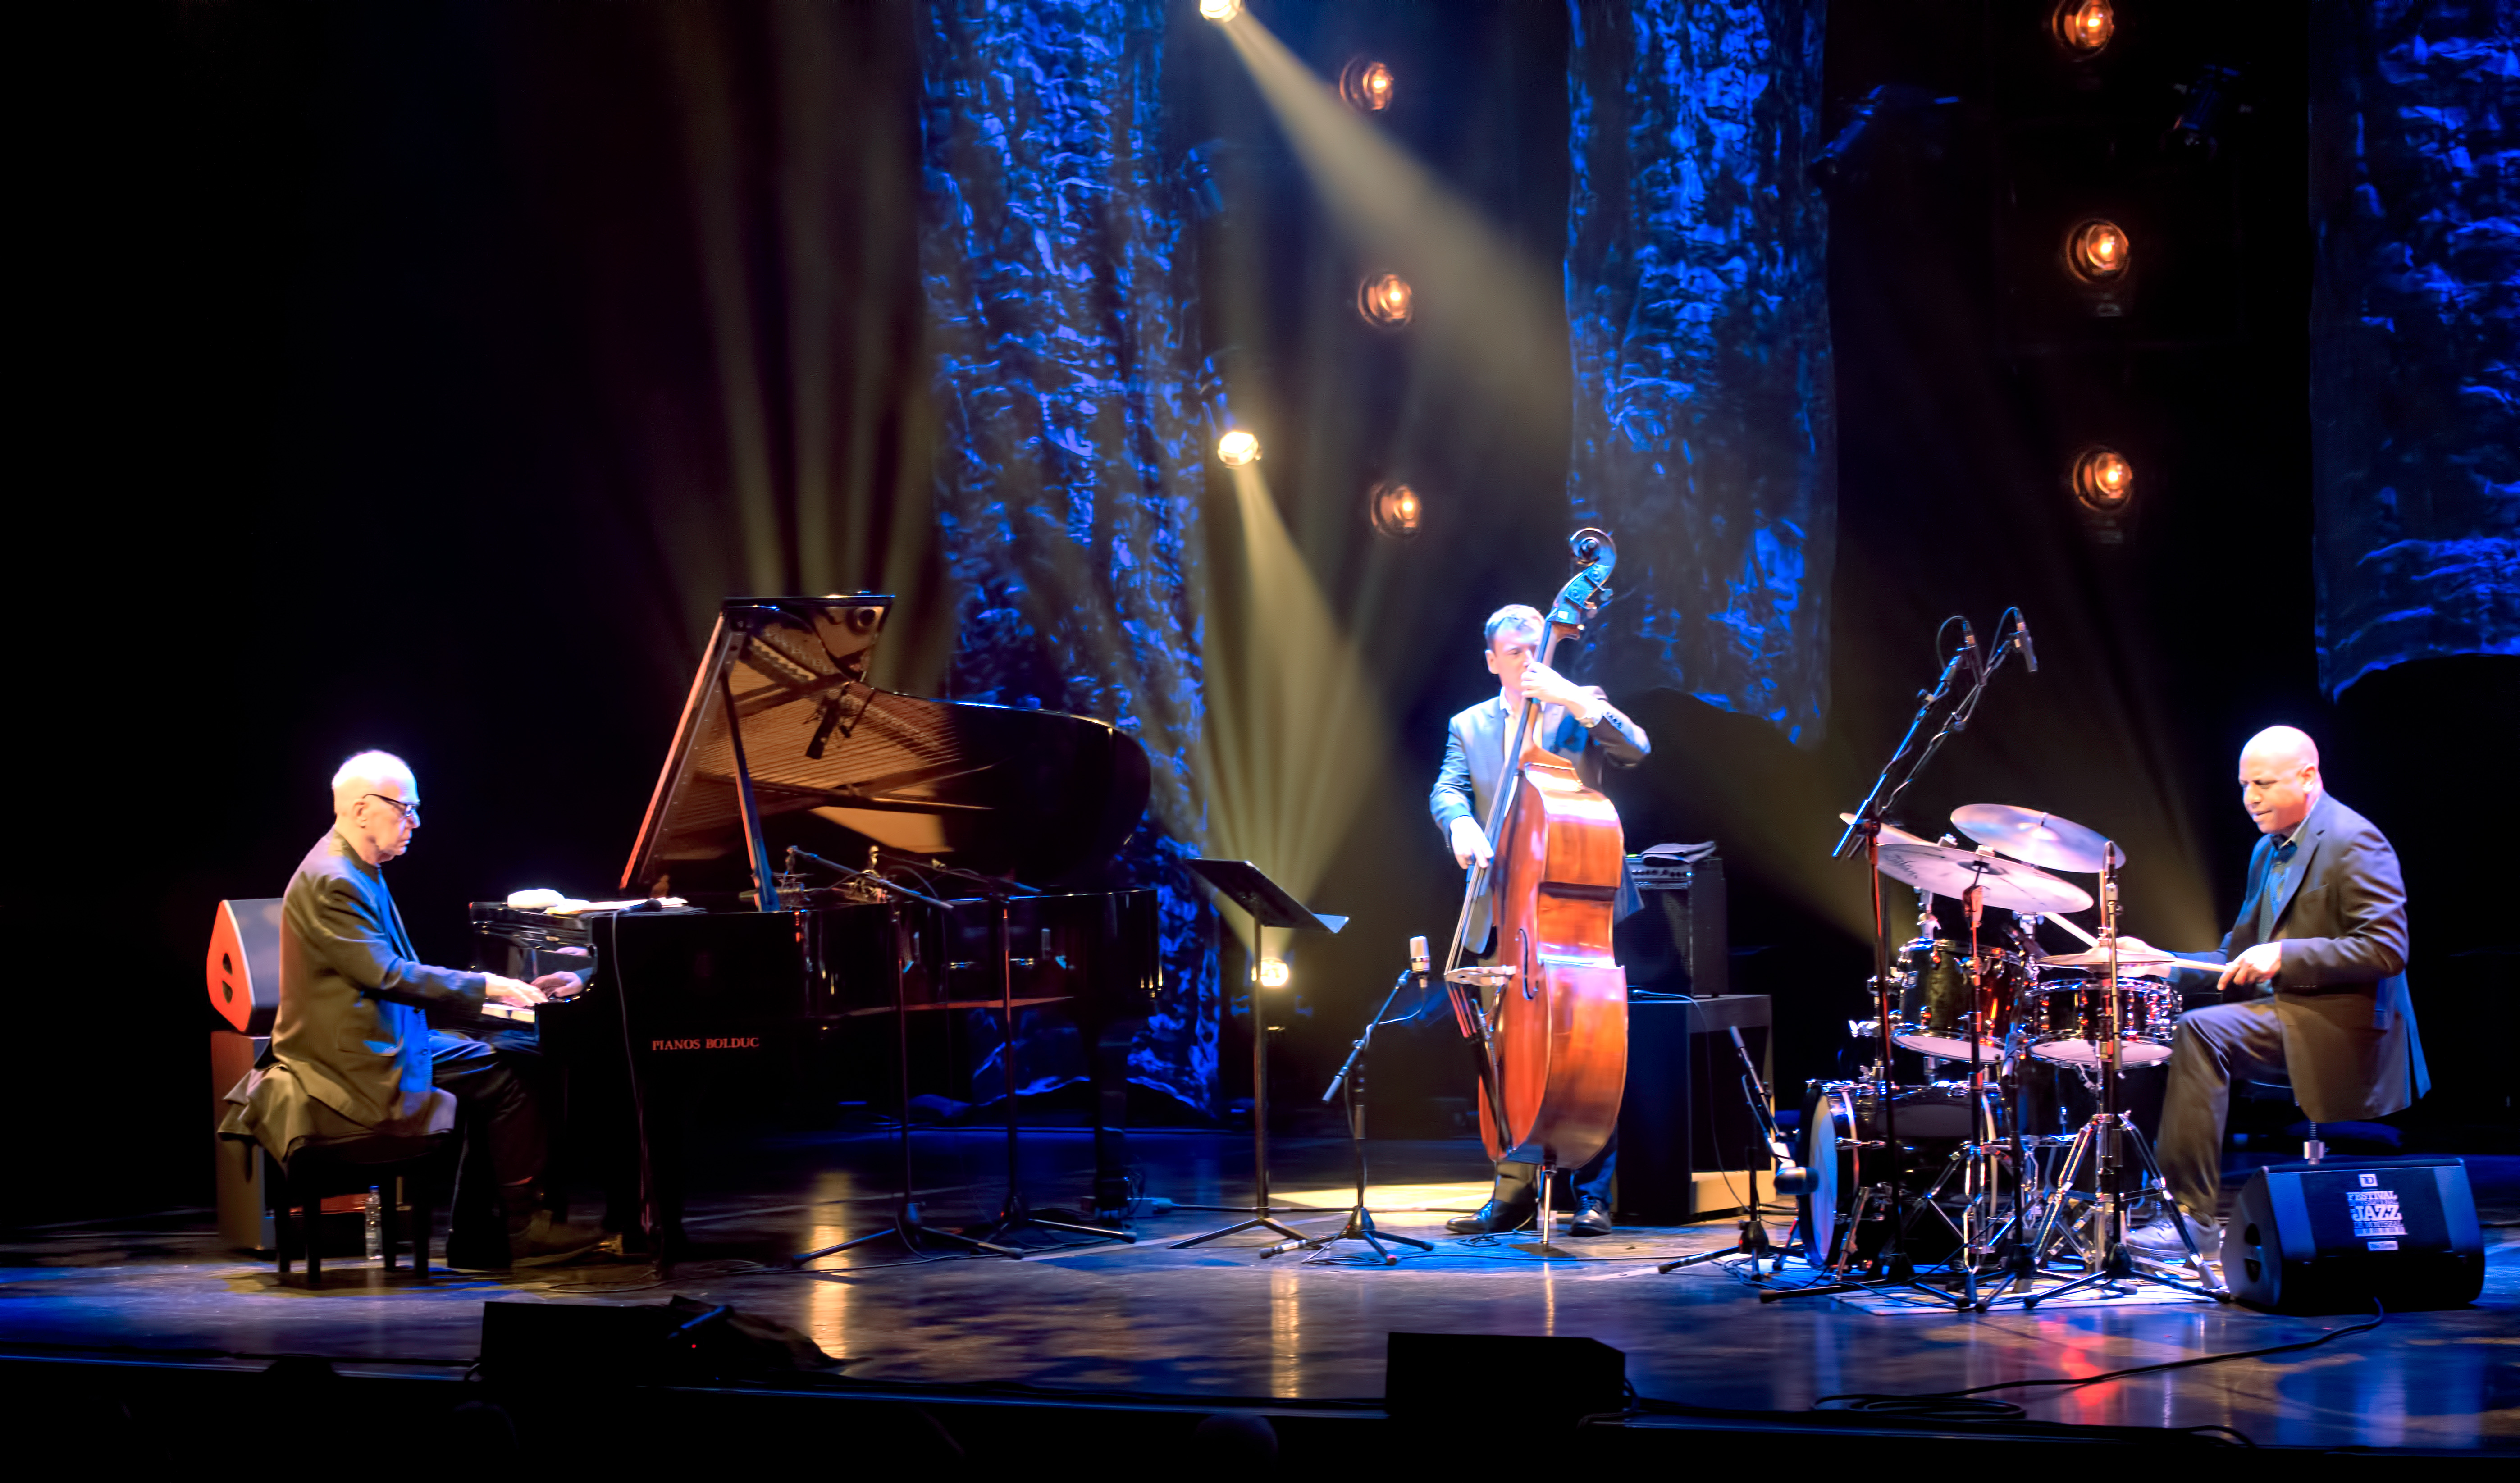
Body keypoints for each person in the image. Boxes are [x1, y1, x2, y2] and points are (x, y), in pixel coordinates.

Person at [221, 751, 602, 1271]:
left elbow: (389, 975)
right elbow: (385, 974)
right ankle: (521, 1230)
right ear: (361, 810)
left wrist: (485, 999)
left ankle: (480, 1234)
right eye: (406, 809)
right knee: (509, 1074)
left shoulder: (354, 867)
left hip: (373, 1034)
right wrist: (488, 988)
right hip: (352, 1059)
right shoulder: (336, 879)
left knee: (510, 1055)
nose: (415, 822)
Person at [2120, 726, 2428, 1259]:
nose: (2249, 799)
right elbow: (2230, 960)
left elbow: (2386, 950)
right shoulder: (2267, 852)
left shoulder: (2355, 841)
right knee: (2168, 1028)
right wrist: (2159, 964)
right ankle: (2162, 1202)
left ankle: (2191, 1219)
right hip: (2291, 1011)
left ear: (2308, 778)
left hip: (2348, 1025)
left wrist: (2286, 955)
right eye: (2244, 786)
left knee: (2202, 1031)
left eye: (2261, 784)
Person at [1430, 604, 1649, 1237]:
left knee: (1589, 1052)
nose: (1528, 659)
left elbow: (1636, 746)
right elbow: (1446, 788)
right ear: (1492, 658)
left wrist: (1576, 700)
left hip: (1577, 909)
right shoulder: (1467, 724)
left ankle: (1593, 1194)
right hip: (1508, 908)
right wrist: (1461, 821)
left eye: (1536, 647)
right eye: (1515, 650)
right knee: (1504, 1050)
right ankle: (1512, 1188)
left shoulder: (1580, 703)